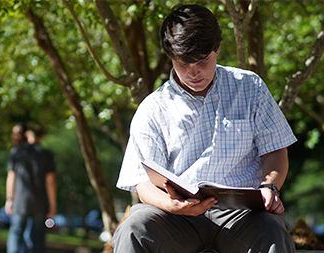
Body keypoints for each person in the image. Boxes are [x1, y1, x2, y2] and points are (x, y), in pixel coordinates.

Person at [113, 4, 297, 253]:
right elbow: (142, 183)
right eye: (183, 64)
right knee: (133, 229)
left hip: (242, 217)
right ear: (170, 56)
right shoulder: (153, 108)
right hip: (175, 218)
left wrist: (269, 186)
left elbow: (275, 150)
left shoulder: (250, 88)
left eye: (201, 61)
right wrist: (171, 204)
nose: (193, 73)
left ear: (217, 47)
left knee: (273, 233)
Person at [5, 124, 57, 253]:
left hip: (20, 201)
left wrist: (9, 199)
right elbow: (49, 180)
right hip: (39, 202)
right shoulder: (46, 154)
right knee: (36, 237)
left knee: (16, 233)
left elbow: (11, 177)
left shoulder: (16, 152)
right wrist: (53, 204)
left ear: (27, 135)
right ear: (42, 137)